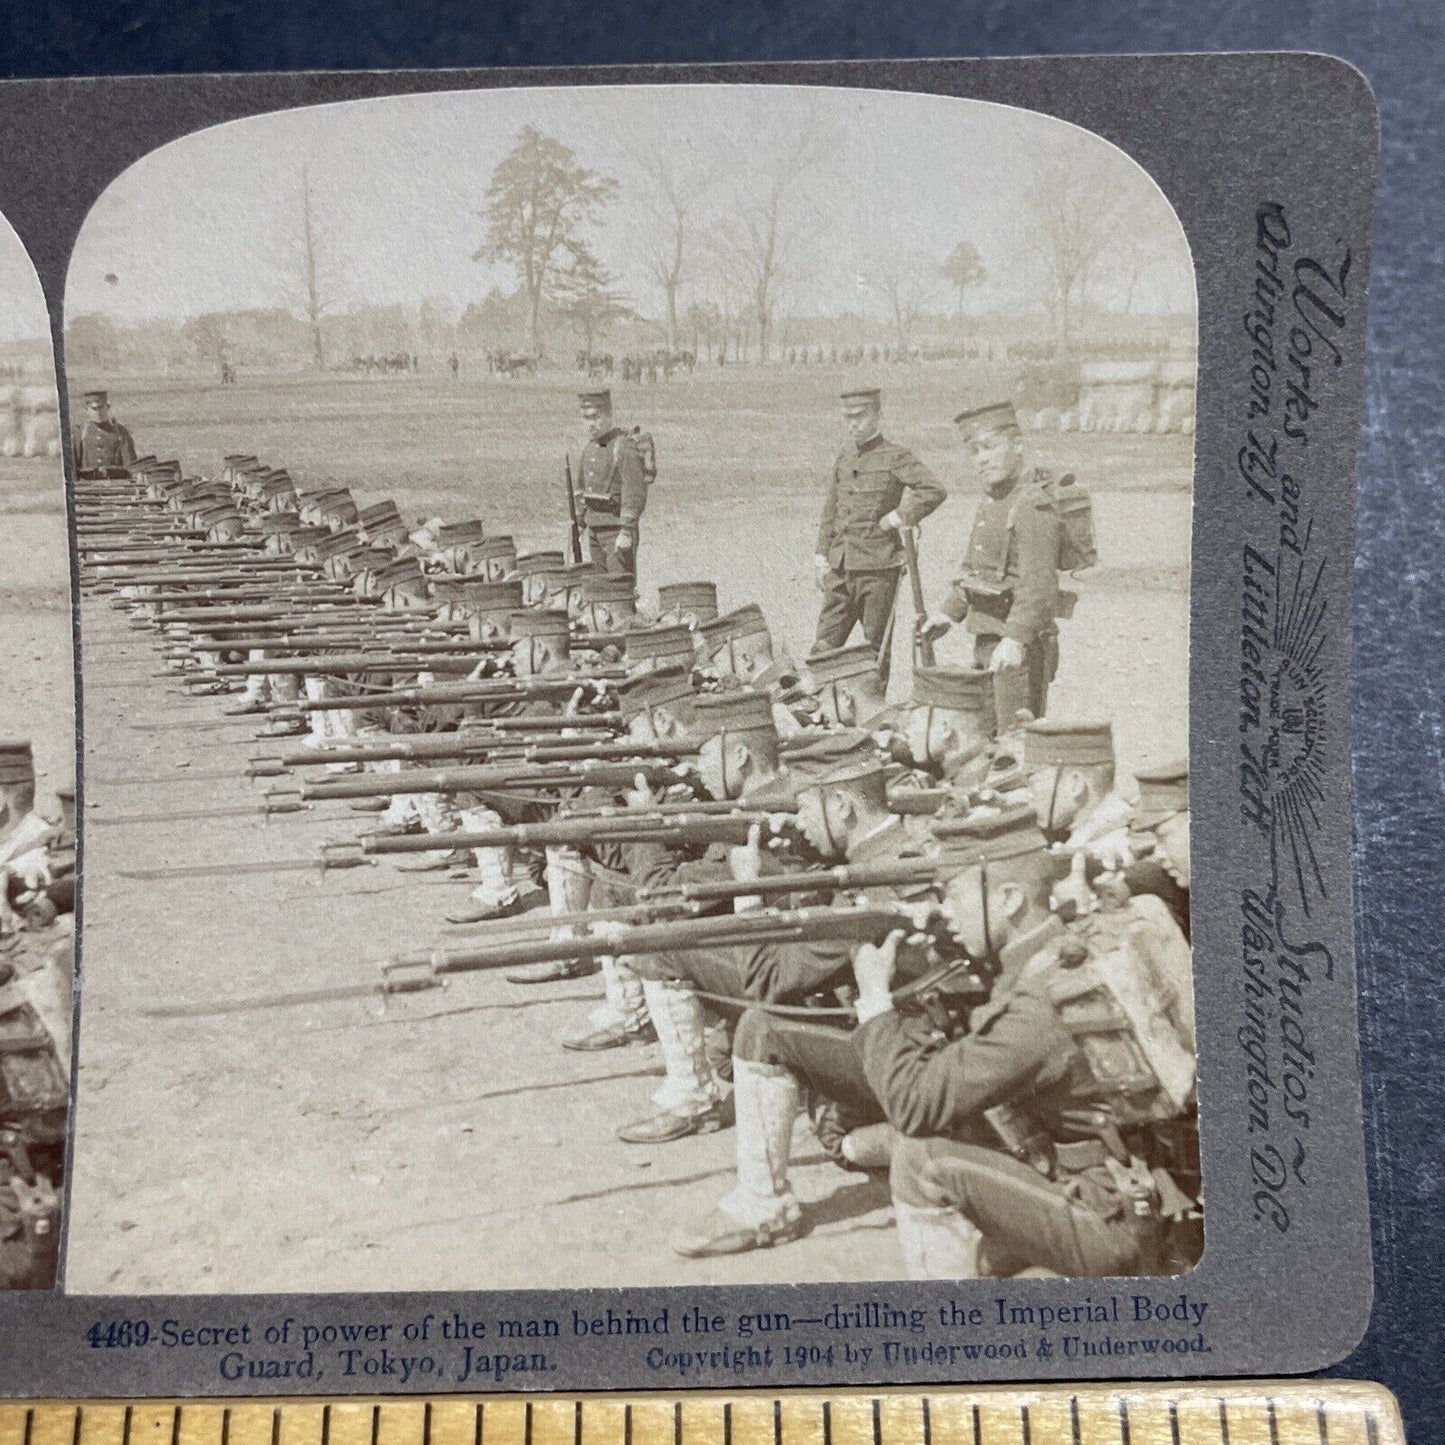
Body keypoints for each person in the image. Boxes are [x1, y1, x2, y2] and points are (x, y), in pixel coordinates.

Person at [853, 808, 1196, 1279]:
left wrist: (875, 1004)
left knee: (921, 1159)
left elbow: (913, 1102)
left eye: (954, 897)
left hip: (1110, 1219)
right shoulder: (1061, 950)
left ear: (1011, 899)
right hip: (1139, 1186)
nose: (945, 912)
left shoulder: (1041, 1003)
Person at [921, 400, 1067, 733]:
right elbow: (975, 569)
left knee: (1014, 743)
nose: (982, 458)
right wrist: (948, 614)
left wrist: (1015, 640)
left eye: (990, 447)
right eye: (974, 451)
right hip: (989, 641)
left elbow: (1038, 587)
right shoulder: (991, 502)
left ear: (1017, 446)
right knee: (985, 737)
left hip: (1021, 651)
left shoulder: (1032, 504)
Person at [813, 388, 946, 684]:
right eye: (848, 418)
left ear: (878, 416)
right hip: (840, 569)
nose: (853, 425)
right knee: (822, 648)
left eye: (860, 417)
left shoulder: (895, 456)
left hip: (878, 571)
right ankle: (819, 713)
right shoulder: (844, 457)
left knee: (875, 652)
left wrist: (898, 517)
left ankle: (870, 715)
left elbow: (933, 490)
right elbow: (830, 510)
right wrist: (821, 556)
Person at [573, 389, 648, 576]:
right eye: (586, 418)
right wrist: (580, 522)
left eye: (595, 417)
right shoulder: (589, 447)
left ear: (609, 414)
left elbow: (634, 492)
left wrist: (626, 531)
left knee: (619, 591)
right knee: (600, 590)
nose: (590, 424)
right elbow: (581, 488)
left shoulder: (622, 444)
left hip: (617, 532)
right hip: (594, 531)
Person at [71, 389, 137, 477]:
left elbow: (130, 464)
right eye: (94, 409)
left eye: (101, 407)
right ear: (87, 410)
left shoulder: (120, 432)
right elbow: (73, 467)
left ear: (108, 407)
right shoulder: (81, 433)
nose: (98, 412)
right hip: (88, 487)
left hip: (116, 485)